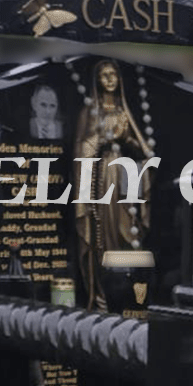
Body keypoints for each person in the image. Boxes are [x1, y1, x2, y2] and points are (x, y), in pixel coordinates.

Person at [73, 60, 154, 310]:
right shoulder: (91, 111)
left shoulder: (123, 110)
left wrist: (129, 138)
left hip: (123, 172)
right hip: (102, 175)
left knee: (127, 229)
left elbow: (142, 148)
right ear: (97, 81)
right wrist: (102, 137)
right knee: (104, 232)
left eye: (113, 75)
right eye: (104, 75)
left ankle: (130, 298)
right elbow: (82, 147)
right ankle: (102, 296)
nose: (109, 79)